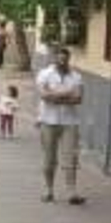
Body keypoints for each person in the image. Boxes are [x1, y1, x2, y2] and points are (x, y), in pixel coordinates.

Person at [36, 48, 85, 204]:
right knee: (49, 159)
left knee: (70, 157)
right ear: (54, 59)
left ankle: (72, 192)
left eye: (65, 59)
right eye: (59, 59)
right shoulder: (45, 74)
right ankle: (48, 190)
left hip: (70, 122)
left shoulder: (76, 76)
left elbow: (78, 99)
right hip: (48, 121)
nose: (62, 62)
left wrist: (55, 95)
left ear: (68, 59)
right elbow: (44, 96)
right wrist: (67, 93)